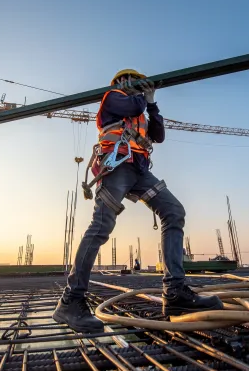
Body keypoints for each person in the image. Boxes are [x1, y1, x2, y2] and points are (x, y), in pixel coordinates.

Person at [53, 69, 223, 333]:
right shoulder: (113, 98)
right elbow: (132, 104)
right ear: (120, 82)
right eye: (129, 80)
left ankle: (175, 293)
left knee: (173, 211)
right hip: (116, 166)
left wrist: (153, 103)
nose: (134, 85)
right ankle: (71, 301)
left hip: (139, 170)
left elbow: (159, 135)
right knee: (100, 228)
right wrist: (143, 96)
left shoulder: (142, 109)